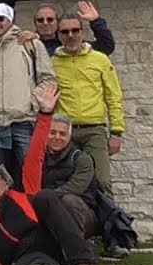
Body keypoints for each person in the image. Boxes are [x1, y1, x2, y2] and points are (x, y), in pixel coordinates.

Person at [0, 84, 99, 265]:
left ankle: (82, 263)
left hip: (44, 239)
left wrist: (46, 114)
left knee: (45, 196)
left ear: (7, 183)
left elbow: (36, 154)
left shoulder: (23, 196)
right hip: (22, 259)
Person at [0, 2, 56, 188]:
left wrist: (31, 102)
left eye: (0, 18)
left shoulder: (30, 45)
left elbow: (48, 79)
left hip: (23, 122)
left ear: (9, 20)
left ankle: (33, 215)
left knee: (31, 175)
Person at [41, 115, 136, 258]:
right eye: (53, 132)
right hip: (49, 209)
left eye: (62, 134)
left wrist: (44, 198)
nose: (57, 137)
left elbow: (75, 188)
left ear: (69, 137)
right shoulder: (38, 158)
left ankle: (76, 250)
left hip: (84, 215)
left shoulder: (82, 159)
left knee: (69, 200)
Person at [51, 12, 126, 192]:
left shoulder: (100, 59)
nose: (71, 35)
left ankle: (109, 221)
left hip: (94, 130)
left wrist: (116, 132)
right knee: (68, 183)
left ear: (83, 32)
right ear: (59, 35)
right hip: (64, 132)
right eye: (65, 31)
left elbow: (113, 96)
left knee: (102, 182)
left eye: (75, 30)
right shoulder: (52, 62)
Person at [36, 1, 115, 57]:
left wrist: (96, 21)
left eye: (50, 19)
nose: (45, 23)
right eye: (40, 20)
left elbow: (106, 46)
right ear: (35, 23)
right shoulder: (31, 45)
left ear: (57, 22)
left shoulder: (71, 43)